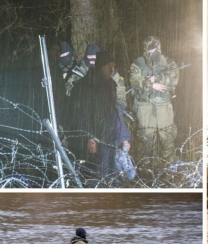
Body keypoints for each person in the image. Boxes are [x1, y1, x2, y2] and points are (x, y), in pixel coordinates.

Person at [71, 50, 122, 178]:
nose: (112, 69)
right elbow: (83, 113)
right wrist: (90, 137)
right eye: (109, 66)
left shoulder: (110, 84)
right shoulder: (86, 85)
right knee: (98, 174)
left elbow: (116, 111)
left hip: (111, 137)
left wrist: (122, 135)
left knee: (111, 173)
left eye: (113, 66)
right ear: (102, 66)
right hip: (97, 137)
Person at [130, 35, 180, 164]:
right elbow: (134, 81)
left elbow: (174, 79)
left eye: (153, 50)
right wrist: (150, 84)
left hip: (164, 106)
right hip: (145, 106)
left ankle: (170, 171)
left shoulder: (169, 62)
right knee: (146, 141)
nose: (151, 53)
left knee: (167, 139)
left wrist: (157, 78)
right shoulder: (138, 63)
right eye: (148, 50)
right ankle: (145, 171)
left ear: (159, 48)